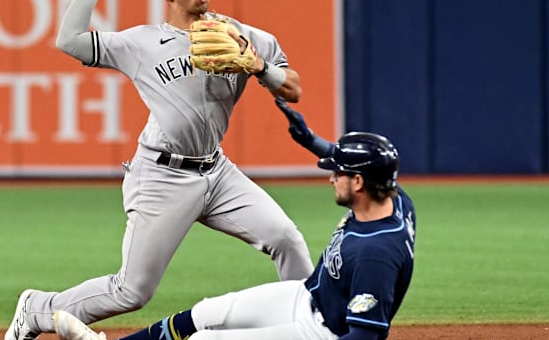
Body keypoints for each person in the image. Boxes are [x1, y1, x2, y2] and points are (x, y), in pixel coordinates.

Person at [4, 0, 315, 340]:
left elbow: (294, 88)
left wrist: (258, 66)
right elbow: (70, 40)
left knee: (285, 238)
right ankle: (36, 309)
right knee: (132, 291)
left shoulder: (241, 35)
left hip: (217, 173)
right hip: (161, 176)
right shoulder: (143, 44)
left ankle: (311, 323)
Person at [52, 99, 417, 340]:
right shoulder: (395, 201)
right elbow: (370, 167)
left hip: (321, 331)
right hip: (305, 296)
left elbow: (366, 336)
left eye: (338, 172)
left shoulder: (375, 253)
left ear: (358, 183)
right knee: (206, 313)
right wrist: (313, 142)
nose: (330, 176)